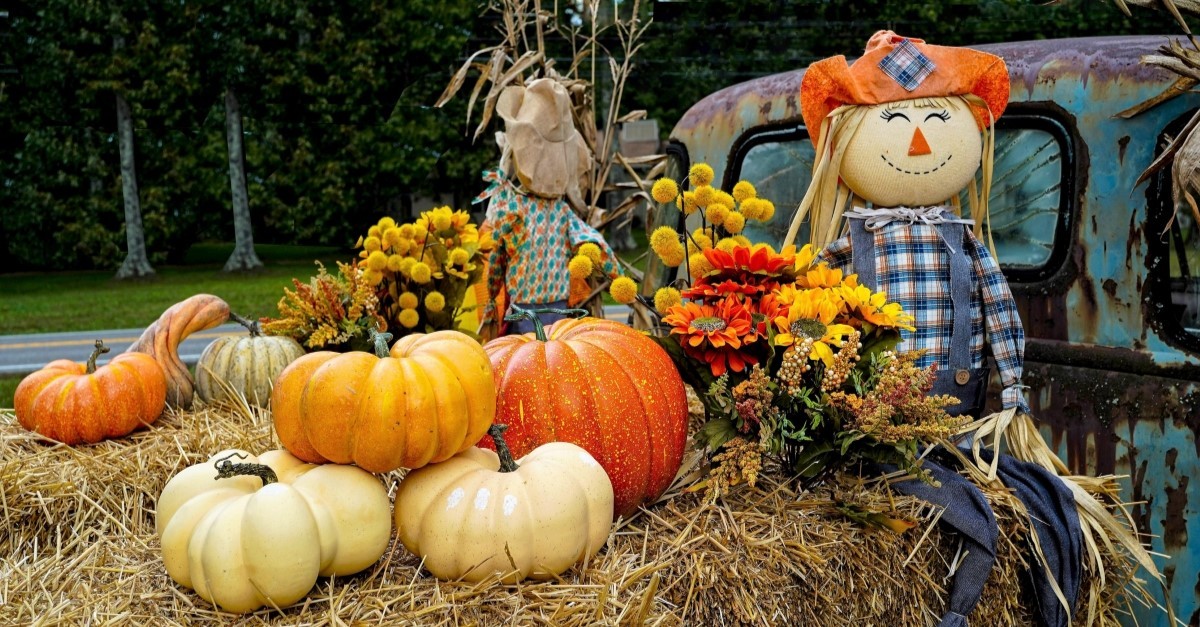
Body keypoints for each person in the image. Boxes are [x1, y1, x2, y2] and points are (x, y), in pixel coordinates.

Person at [785, 30, 1028, 418]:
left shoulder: (961, 239)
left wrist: (1013, 384)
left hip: (955, 407)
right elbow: (808, 301)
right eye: (896, 123)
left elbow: (999, 306)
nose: (919, 145)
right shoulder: (854, 242)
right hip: (868, 414)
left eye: (936, 122)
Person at [476, 78, 624, 336]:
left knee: (530, 355)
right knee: (552, 353)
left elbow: (496, 260)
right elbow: (594, 243)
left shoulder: (517, 209)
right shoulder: (558, 212)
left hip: (530, 307)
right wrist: (619, 279)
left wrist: (491, 299)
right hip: (551, 307)